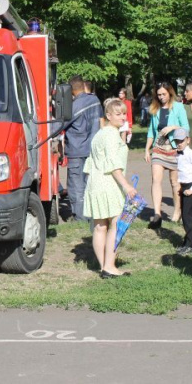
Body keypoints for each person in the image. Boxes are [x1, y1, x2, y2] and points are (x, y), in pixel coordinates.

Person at [83, 98, 137, 278]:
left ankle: (104, 266)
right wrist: (126, 185)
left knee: (100, 227)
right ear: (108, 115)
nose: (123, 117)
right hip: (108, 183)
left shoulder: (100, 134)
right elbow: (114, 165)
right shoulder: (111, 135)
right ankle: (109, 266)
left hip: (95, 183)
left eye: (124, 113)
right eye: (118, 114)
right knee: (115, 224)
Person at [144, 82, 189, 229]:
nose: (161, 97)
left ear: (170, 93)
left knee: (174, 182)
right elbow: (151, 131)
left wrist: (173, 127)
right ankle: (157, 214)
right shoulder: (155, 109)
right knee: (155, 179)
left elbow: (186, 127)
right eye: (159, 94)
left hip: (174, 148)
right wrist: (147, 149)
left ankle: (177, 211)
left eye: (164, 94)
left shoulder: (178, 107)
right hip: (158, 147)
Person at [63, 76, 103, 221]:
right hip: (93, 150)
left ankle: (79, 218)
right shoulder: (95, 101)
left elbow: (59, 125)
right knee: (90, 183)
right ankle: (91, 216)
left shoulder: (74, 106)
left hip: (76, 150)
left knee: (76, 185)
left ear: (71, 90)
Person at [173, 128, 192, 255]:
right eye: (177, 141)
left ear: (188, 140)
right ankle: (187, 242)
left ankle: (191, 245)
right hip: (184, 186)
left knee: (187, 216)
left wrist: (191, 190)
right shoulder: (178, 154)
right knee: (185, 216)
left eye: (181, 140)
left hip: (191, 187)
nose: (179, 143)